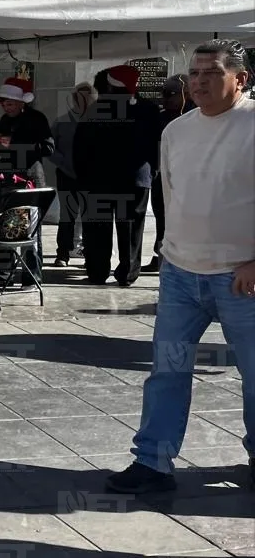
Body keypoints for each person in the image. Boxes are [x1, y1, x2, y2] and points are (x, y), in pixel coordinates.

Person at [106, 39, 255, 495]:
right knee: (167, 371)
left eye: (211, 73)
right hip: (179, 274)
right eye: (194, 74)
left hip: (242, 278)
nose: (199, 82)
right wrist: (167, 252)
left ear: (240, 79)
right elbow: (170, 196)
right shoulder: (176, 130)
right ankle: (153, 461)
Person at [73, 66, 158, 287]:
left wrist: (80, 178)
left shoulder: (96, 110)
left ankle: (98, 271)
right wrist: (153, 172)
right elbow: (157, 145)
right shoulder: (148, 109)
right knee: (130, 228)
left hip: (98, 180)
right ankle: (128, 273)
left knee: (98, 228)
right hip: (135, 179)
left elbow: (80, 148)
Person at [0, 77, 55, 276]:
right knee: (5, 224)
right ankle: (4, 271)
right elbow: (0, 149)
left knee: (29, 227)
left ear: (21, 102)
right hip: (7, 177)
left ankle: (31, 274)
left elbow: (48, 147)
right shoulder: (5, 120)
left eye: (10, 104)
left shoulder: (37, 119)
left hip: (30, 178)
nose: (6, 108)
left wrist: (16, 144)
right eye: (4, 104)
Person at [145, 73, 193, 273]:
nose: (165, 98)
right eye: (163, 94)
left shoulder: (197, 116)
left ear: (186, 93)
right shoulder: (160, 117)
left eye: (170, 94)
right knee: (162, 220)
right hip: (162, 177)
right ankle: (161, 255)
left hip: (190, 181)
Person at [49, 82, 94, 267]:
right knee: (67, 217)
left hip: (91, 178)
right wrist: (65, 164)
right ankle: (63, 254)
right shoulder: (61, 122)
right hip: (67, 176)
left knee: (90, 217)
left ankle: (90, 254)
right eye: (79, 97)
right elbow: (50, 148)